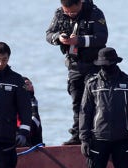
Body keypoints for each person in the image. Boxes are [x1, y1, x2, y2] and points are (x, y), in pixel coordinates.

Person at [46, 0, 108, 145]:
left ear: (80, 3)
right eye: (67, 12)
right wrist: (59, 38)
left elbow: (102, 37)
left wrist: (79, 40)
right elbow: (49, 34)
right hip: (74, 65)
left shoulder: (95, 13)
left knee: (94, 102)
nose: (70, 14)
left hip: (93, 65)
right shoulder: (59, 13)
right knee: (77, 101)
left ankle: (94, 134)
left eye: (73, 12)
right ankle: (77, 134)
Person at [21, 77, 43, 146]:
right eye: (28, 84)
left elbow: (36, 121)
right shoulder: (19, 101)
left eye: (31, 84)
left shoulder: (33, 100)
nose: (31, 86)